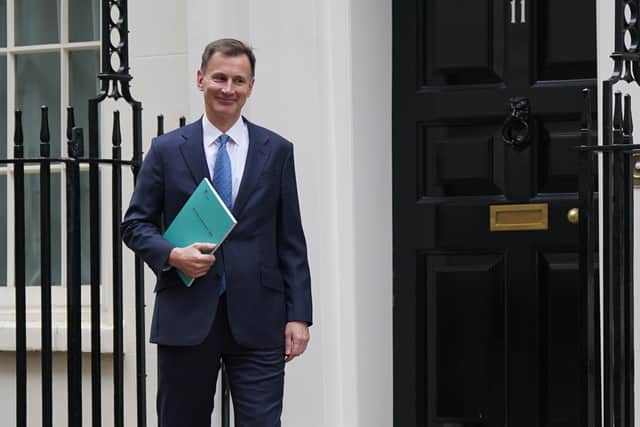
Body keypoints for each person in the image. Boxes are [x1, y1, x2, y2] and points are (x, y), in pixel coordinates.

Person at [121, 38, 312, 427]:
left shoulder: (276, 150)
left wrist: (300, 316)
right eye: (220, 77)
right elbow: (134, 225)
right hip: (186, 316)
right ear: (200, 79)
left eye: (239, 80)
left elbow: (290, 239)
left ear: (251, 86)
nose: (229, 88)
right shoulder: (166, 149)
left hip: (261, 318)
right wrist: (174, 255)